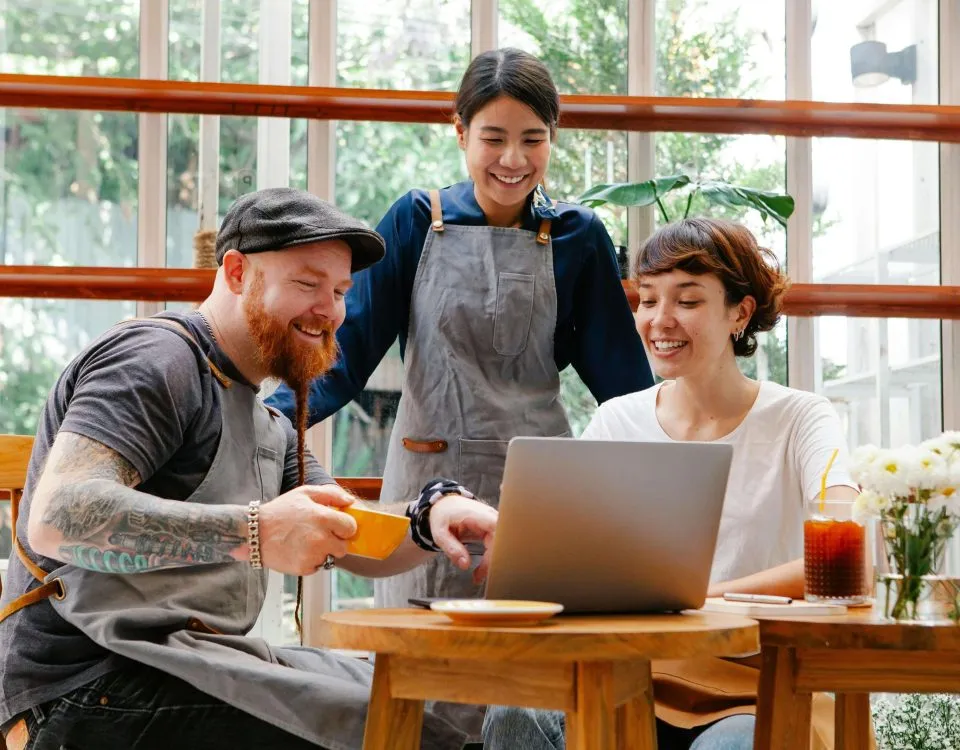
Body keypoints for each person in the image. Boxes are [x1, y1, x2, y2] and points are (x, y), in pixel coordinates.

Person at [0, 188, 497, 750]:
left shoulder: (268, 424)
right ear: (236, 272)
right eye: (308, 284)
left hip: (186, 666)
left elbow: (348, 534)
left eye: (338, 292)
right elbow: (58, 517)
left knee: (427, 707)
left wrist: (428, 517)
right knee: (394, 732)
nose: (330, 310)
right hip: (82, 690)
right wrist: (257, 532)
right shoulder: (156, 360)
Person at [267, 48, 653, 611]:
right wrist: (269, 419)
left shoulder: (579, 235)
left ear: (553, 137)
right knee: (425, 676)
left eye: (533, 138)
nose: (513, 159)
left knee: (536, 678)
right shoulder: (415, 220)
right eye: (493, 138)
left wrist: (676, 477)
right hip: (428, 488)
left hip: (540, 489)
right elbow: (345, 356)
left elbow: (623, 387)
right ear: (460, 133)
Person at [481, 218, 858, 750]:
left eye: (687, 301)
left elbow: (845, 550)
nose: (660, 320)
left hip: (760, 684)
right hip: (631, 677)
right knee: (514, 716)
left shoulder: (801, 418)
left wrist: (694, 601)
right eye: (648, 299)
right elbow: (570, 557)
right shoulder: (616, 421)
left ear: (739, 313)